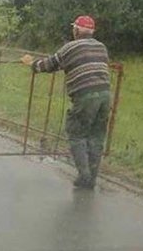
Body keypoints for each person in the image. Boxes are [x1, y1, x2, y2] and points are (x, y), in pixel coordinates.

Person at [21, 15, 111, 190]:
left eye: (74, 28)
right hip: (105, 95)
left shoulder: (70, 48)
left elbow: (48, 65)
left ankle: (84, 175)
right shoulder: (101, 47)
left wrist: (31, 63)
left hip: (85, 96)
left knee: (76, 133)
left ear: (77, 31)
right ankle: (91, 178)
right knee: (96, 137)